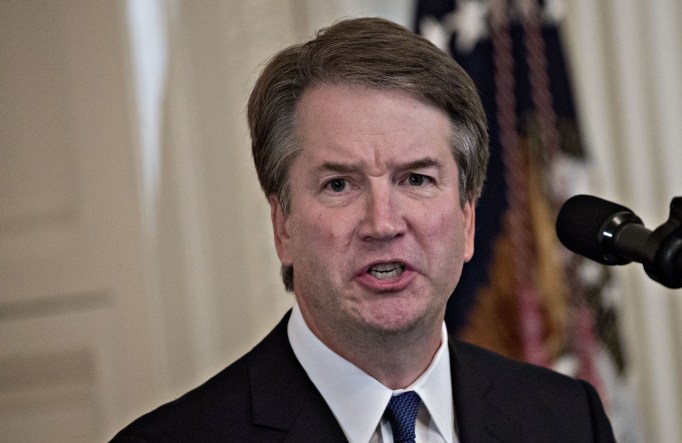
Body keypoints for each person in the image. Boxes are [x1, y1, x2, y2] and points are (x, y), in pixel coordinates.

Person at [111, 17, 615, 442]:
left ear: (467, 220)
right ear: (282, 226)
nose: (383, 223)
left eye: (416, 179)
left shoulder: (567, 419)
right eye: (339, 185)